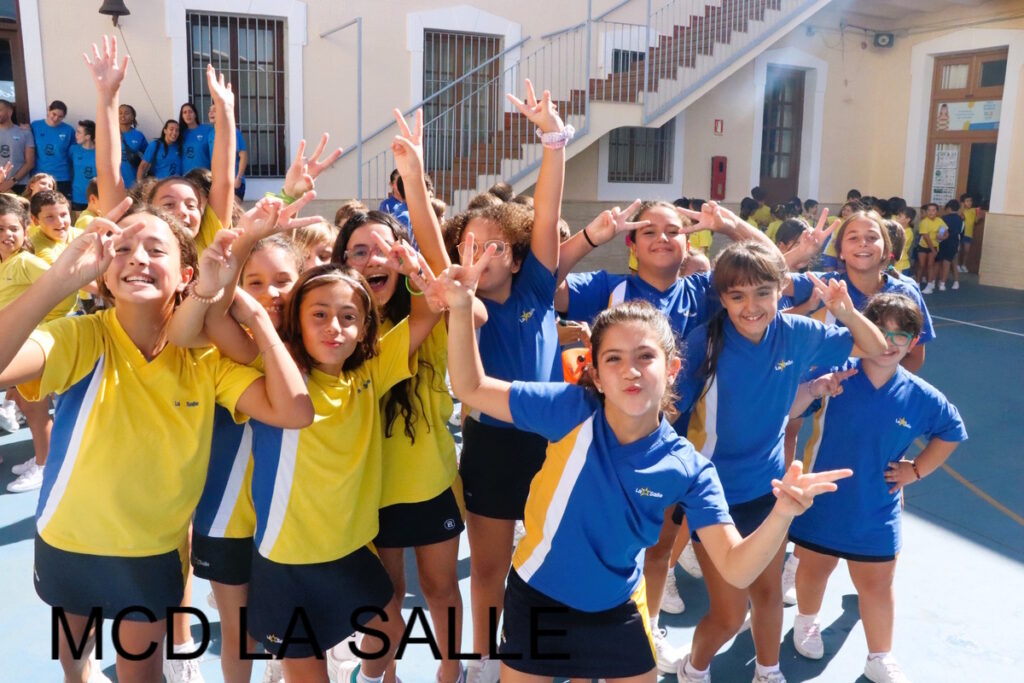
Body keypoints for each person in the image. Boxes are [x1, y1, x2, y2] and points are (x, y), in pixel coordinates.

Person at [435, 254, 853, 681]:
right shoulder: (570, 409)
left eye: (645, 356)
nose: (630, 371)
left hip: (616, 607)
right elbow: (471, 386)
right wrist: (463, 305)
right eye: (613, 359)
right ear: (595, 375)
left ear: (672, 370)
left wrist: (782, 514)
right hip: (541, 597)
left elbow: (735, 566)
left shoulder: (688, 467)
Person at [676, 241, 886, 683]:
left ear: (781, 290)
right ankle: (693, 668)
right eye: (737, 296)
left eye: (762, 293)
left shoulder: (797, 333)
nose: (750, 306)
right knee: (730, 615)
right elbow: (669, 410)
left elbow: (876, 346)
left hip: (767, 491)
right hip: (712, 494)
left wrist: (846, 310)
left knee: (769, 595)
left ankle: (768, 672)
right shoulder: (705, 343)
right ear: (723, 298)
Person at [329, 109, 472, 683]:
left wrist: (413, 178)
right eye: (357, 252)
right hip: (366, 491)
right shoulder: (335, 331)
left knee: (440, 589)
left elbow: (441, 273)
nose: (371, 261)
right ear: (342, 266)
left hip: (428, 483)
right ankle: (381, 676)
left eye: (382, 249)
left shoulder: (426, 315)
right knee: (382, 599)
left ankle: (451, 671)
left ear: (401, 258)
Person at [439, 80, 568, 683]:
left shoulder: (538, 287)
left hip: (552, 443)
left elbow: (545, 212)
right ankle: (486, 658)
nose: (483, 254)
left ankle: (545, 645)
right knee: (488, 567)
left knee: (548, 559)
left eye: (495, 246)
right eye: (471, 245)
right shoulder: (465, 302)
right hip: (492, 444)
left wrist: (552, 140)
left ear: (515, 256)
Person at [788, 293, 966, 683]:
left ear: (914, 342)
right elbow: (791, 409)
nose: (889, 341)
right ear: (860, 331)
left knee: (877, 583)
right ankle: (806, 620)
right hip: (822, 501)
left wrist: (916, 470)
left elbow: (951, 432)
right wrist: (817, 389)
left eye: (901, 334)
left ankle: (879, 655)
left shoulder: (921, 397)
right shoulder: (837, 373)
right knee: (815, 567)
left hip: (876, 509)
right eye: (879, 330)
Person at [31, 100, 76, 197]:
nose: (55, 118)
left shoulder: (69, 130)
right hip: (40, 176)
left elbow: (73, 152)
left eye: (60, 116)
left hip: (62, 176)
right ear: (48, 110)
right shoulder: (35, 126)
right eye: (53, 114)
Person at [205, 103, 248, 199]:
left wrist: (239, 178)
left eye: (215, 110)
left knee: (234, 213)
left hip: (233, 181)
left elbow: (243, 156)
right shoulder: (210, 134)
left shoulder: (232, 131)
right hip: (217, 183)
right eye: (210, 110)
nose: (211, 113)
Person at [0, 99, 36, 194]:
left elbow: (30, 163)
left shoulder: (25, 132)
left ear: (10, 112)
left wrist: (12, 181)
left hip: (20, 184)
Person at [915, 204, 945, 294]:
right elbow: (926, 238)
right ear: (927, 211)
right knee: (921, 265)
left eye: (933, 210)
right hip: (923, 246)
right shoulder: (924, 222)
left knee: (930, 265)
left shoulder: (940, 221)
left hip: (934, 247)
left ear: (937, 211)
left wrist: (942, 237)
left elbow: (945, 232)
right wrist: (933, 250)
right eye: (929, 210)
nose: (931, 212)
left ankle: (929, 286)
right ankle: (917, 283)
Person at [935, 199, 963, 291]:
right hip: (955, 243)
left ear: (949, 208)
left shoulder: (944, 218)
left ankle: (942, 282)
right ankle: (956, 282)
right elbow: (961, 232)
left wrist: (938, 238)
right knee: (953, 262)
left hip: (944, 242)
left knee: (944, 262)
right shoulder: (961, 219)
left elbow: (941, 231)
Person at [69, 120, 97, 211]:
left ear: (88, 136)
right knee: (80, 223)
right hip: (78, 194)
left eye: (79, 132)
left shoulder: (100, 151)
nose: (75, 135)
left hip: (96, 195)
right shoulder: (73, 149)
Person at [178, 101, 213, 174]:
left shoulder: (207, 130)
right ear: (182, 116)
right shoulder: (179, 134)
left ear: (195, 114)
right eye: (184, 112)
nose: (188, 115)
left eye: (190, 112)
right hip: (186, 177)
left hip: (204, 175)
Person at [117, 103, 146, 189]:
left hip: (132, 183)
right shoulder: (109, 134)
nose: (123, 115)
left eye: (126, 113)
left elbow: (148, 157)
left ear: (133, 117)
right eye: (120, 113)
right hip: (113, 184)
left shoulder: (138, 135)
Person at [957, 193, 976, 273]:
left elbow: (975, 221)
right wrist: (961, 207)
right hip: (961, 233)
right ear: (962, 202)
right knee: (958, 250)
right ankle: (957, 265)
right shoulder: (960, 210)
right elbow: (960, 216)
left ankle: (963, 265)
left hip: (969, 233)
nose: (969, 203)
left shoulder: (973, 210)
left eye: (970, 201)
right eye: (967, 201)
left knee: (966, 251)